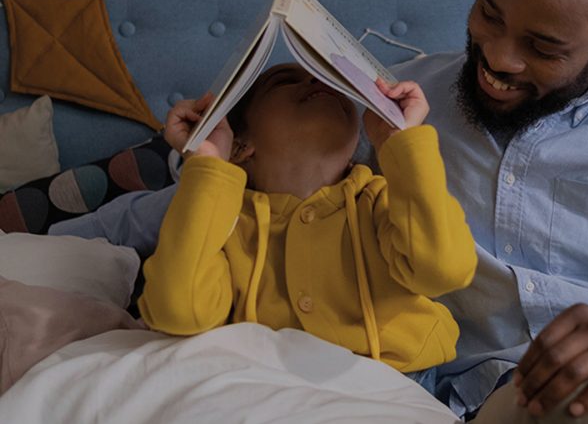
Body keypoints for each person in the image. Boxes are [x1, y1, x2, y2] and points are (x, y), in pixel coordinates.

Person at [52, 0, 588, 422]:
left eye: (543, 46)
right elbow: (267, 197)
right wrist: (61, 243)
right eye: (488, 13)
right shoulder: (392, 104)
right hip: (504, 393)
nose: (498, 58)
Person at [136, 63, 477, 392]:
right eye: (285, 81)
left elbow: (443, 269)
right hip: (276, 393)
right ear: (240, 145)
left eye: (331, 81)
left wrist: (400, 141)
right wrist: (209, 163)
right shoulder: (222, 222)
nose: (319, 81)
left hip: (398, 384)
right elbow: (177, 310)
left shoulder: (381, 202)